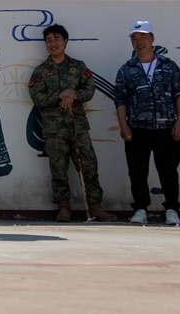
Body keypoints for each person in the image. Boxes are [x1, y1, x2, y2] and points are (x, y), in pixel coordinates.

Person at [28, 24, 117, 222]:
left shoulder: (78, 66)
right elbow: (37, 98)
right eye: (49, 40)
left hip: (78, 126)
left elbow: (90, 90)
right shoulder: (41, 71)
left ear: (65, 41)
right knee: (58, 169)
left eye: (57, 39)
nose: (53, 43)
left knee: (89, 167)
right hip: (54, 129)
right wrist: (59, 96)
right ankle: (63, 209)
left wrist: (73, 95)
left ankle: (95, 207)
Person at [114, 21, 180, 226]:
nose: (139, 42)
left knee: (169, 171)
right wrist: (123, 125)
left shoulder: (169, 65)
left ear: (152, 38)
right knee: (137, 171)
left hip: (166, 128)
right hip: (137, 129)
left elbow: (179, 94)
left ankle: (172, 209)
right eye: (134, 38)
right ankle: (140, 209)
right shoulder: (126, 70)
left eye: (143, 37)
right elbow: (120, 100)